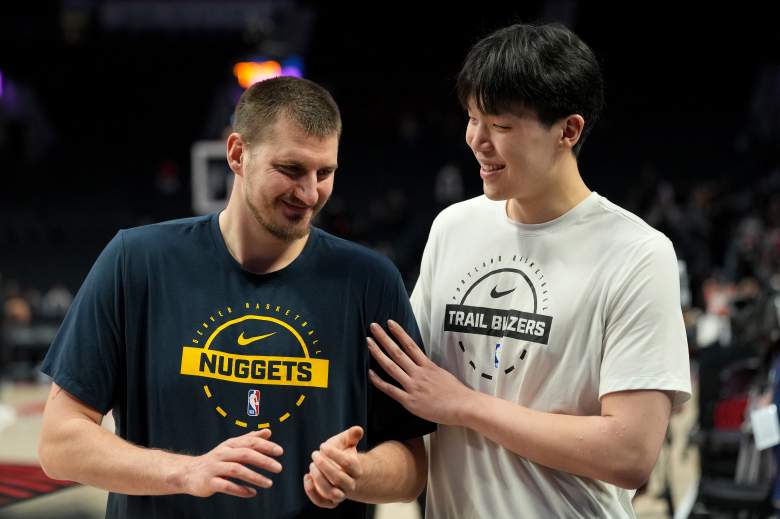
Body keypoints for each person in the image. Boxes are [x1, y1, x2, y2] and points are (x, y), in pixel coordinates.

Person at [38, 76, 433, 518]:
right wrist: (186, 472)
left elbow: (413, 463)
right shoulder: (137, 262)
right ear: (237, 154)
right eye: (291, 170)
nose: (309, 193)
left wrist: (358, 473)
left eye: (325, 173)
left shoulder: (370, 281)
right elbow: (59, 442)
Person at [366, 22, 692, 518]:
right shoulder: (454, 227)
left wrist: (466, 406)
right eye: (472, 118)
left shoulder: (638, 254)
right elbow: (411, 390)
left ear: (569, 130)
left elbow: (630, 453)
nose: (477, 140)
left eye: (501, 125)